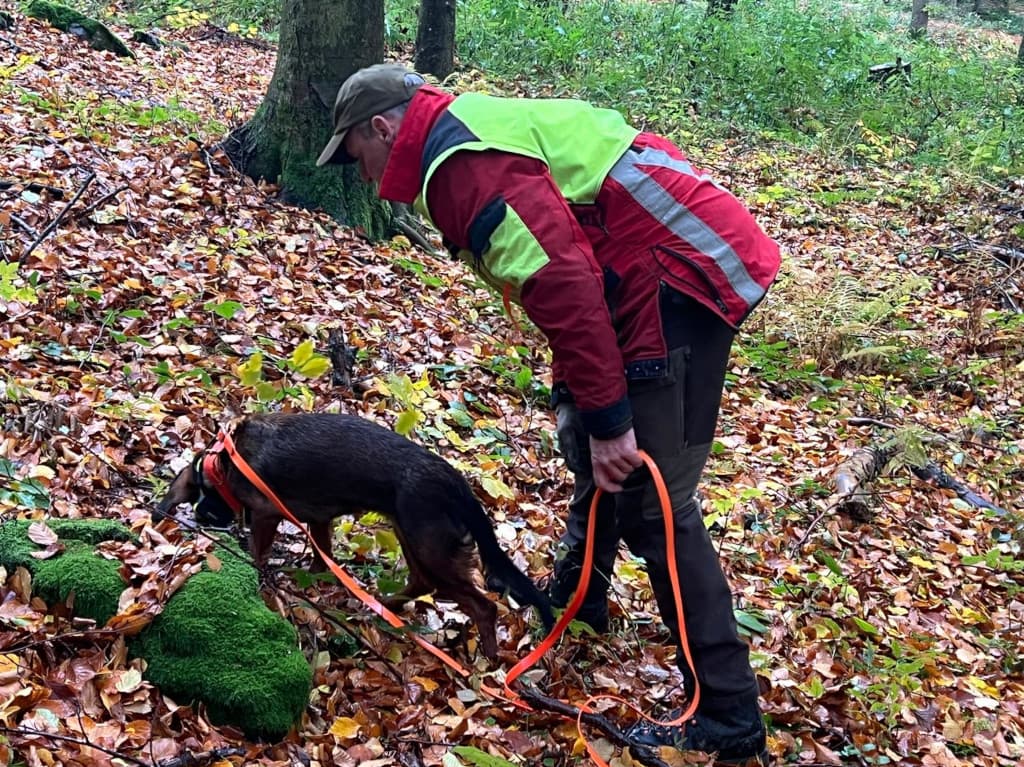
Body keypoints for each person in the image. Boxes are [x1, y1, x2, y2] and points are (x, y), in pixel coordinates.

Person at [317, 63, 780, 766]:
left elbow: (562, 279)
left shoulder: (459, 165)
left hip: (678, 271)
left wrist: (611, 418)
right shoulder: (462, 130)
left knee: (652, 494)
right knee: (593, 440)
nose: (361, 172)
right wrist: (589, 403)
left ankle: (727, 714)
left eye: (355, 153)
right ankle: (579, 601)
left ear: (383, 127)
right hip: (644, 263)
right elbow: (566, 258)